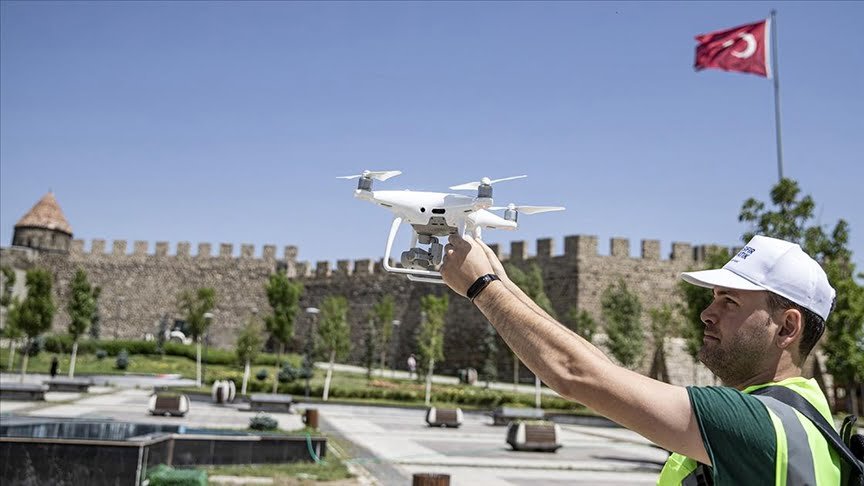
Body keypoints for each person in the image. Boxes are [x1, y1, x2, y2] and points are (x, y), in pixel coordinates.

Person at [440, 233, 841, 485]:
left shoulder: (759, 425)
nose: (707, 313)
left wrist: (482, 288)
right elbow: (602, 369)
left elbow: (577, 374)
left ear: (787, 327)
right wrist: (505, 285)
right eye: (714, 297)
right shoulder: (801, 417)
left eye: (730, 302)